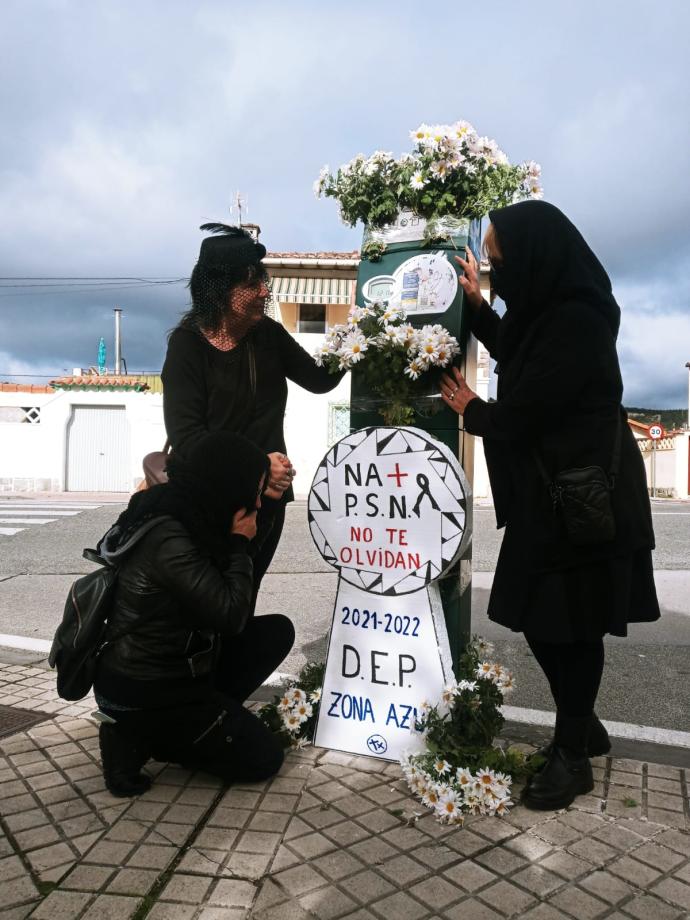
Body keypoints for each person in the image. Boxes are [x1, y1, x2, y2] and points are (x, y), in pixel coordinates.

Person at [440, 200, 660, 810]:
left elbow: (536, 402)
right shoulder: (551, 314)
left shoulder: (579, 317)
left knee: (575, 621)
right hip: (554, 495)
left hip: (586, 496)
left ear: (536, 255)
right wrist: (480, 310)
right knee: (540, 615)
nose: (496, 272)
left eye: (499, 261)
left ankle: (573, 754)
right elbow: (523, 351)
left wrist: (474, 413)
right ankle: (580, 725)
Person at [93, 431, 295, 797]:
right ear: (226, 483)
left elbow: (232, 580)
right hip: (146, 689)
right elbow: (231, 614)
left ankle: (203, 723)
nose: (257, 503)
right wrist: (238, 543)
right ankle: (133, 738)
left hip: (177, 666)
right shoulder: (171, 538)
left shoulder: (186, 509)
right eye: (254, 491)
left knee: (275, 632)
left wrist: (270, 505)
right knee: (263, 759)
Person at [161, 223, 344, 613]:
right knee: (205, 610)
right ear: (219, 290)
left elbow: (320, 379)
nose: (263, 291)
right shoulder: (186, 346)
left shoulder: (269, 335)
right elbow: (188, 438)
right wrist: (260, 463)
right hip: (208, 501)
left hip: (268, 500)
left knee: (242, 602)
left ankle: (231, 674)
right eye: (250, 284)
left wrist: (357, 340)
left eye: (262, 280)